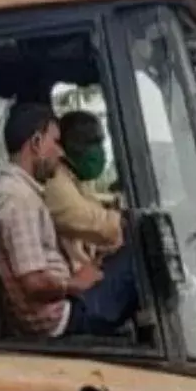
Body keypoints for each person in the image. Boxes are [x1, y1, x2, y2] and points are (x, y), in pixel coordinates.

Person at [0, 103, 136, 337]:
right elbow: (33, 283)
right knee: (140, 248)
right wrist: (76, 283)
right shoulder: (18, 200)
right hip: (62, 318)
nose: (61, 152)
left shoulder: (20, 191)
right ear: (36, 143)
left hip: (62, 305)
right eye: (55, 142)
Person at [45, 111, 125, 271]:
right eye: (91, 143)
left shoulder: (74, 179)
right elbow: (96, 224)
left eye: (100, 142)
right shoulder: (53, 182)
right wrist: (124, 221)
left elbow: (93, 207)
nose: (99, 151)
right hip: (73, 284)